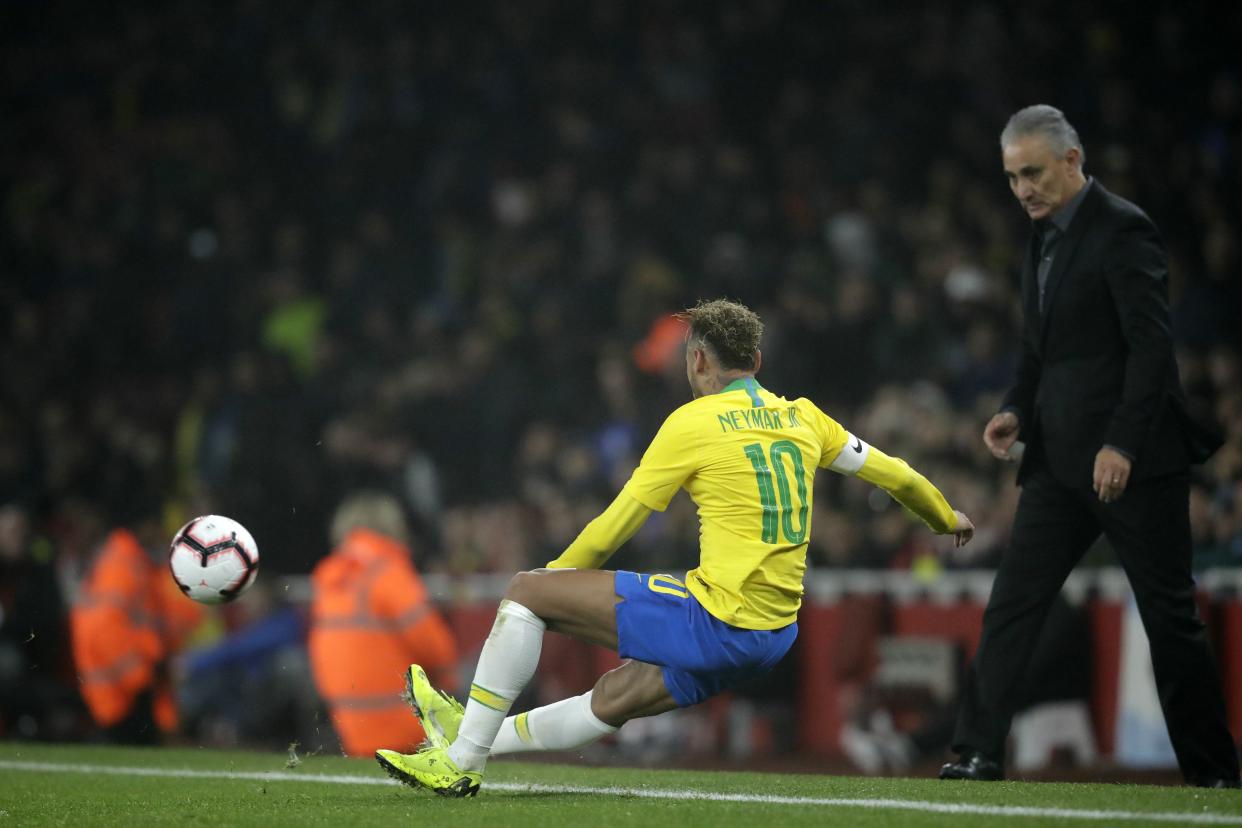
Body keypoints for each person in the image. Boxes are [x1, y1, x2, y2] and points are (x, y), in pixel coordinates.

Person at [375, 298, 975, 796]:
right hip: (774, 636)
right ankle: (468, 740)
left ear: (695, 361)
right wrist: (946, 515)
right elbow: (894, 474)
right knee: (616, 695)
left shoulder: (692, 424)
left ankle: (461, 762)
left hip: (718, 619)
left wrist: (551, 586)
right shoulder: (804, 419)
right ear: (758, 361)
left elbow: (614, 528)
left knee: (525, 592)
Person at [939, 105, 1241, 787]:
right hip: (1056, 462)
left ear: (1072, 160)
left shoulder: (1125, 230)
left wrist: (1123, 446)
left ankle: (1214, 771)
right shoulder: (1039, 238)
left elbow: (1151, 351)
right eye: (1013, 178)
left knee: (1169, 617)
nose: (1023, 190)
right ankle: (978, 752)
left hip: (1131, 465)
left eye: (1034, 174)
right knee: (1013, 603)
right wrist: (1015, 407)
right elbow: (1037, 348)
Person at [308, 491, 459, 757]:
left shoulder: (330, 579)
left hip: (352, 729)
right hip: (406, 727)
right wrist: (448, 682)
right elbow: (437, 650)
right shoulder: (387, 572)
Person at [70, 508, 204, 743]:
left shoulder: (134, 562)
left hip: (125, 686)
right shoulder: (122, 565)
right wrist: (138, 676)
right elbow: (103, 626)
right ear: (145, 526)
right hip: (123, 692)